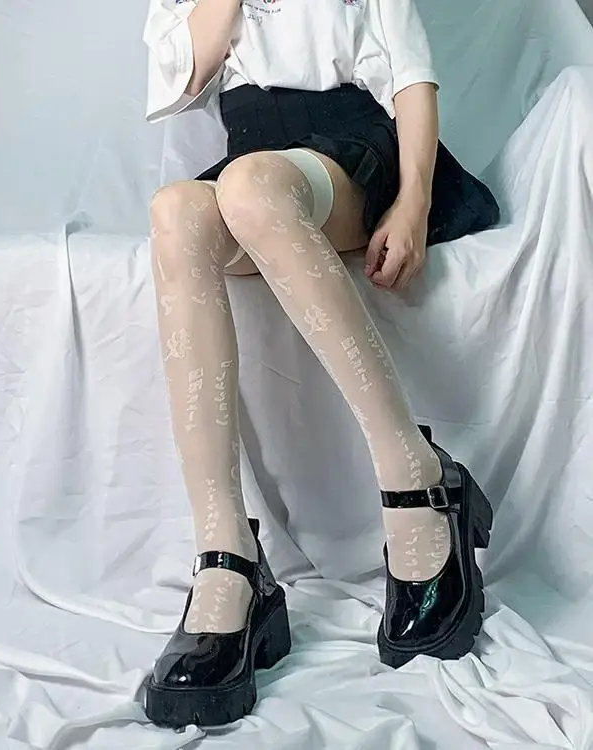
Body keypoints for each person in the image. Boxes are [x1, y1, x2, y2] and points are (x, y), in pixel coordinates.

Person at [141, 0, 498, 728]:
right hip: (257, 164)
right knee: (176, 211)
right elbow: (187, 74)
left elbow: (410, 74)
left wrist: (414, 203)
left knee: (250, 187)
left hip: (350, 150)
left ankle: (416, 476)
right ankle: (228, 555)